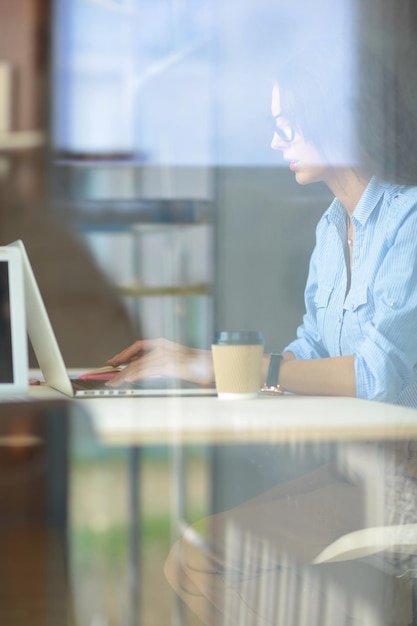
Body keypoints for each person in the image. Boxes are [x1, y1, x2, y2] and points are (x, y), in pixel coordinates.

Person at [107, 41, 417, 624]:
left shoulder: (411, 223)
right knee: (189, 558)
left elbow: (377, 375)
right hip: (359, 469)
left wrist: (239, 367)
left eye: (287, 125)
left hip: (406, 480)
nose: (276, 142)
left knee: (200, 559)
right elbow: (313, 352)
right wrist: (210, 371)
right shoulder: (332, 232)